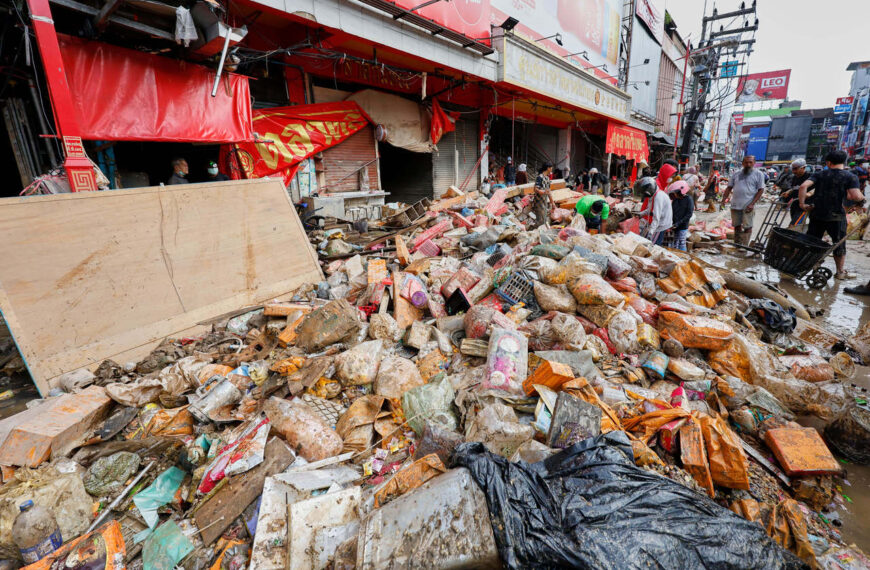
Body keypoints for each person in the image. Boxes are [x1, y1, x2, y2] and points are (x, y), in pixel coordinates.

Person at [797, 150, 863, 280]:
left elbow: (803, 186)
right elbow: (854, 196)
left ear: (828, 162)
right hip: (837, 217)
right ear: (844, 161)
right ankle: (839, 272)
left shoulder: (820, 174)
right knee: (838, 243)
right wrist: (862, 200)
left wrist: (802, 203)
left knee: (813, 241)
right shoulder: (850, 176)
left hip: (817, 215)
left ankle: (811, 267)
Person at [721, 155, 765, 246]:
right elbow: (729, 187)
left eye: (750, 162)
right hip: (735, 204)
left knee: (747, 226)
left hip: (748, 204)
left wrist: (752, 204)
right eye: (746, 162)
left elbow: (761, 189)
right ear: (743, 163)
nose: (748, 164)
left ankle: (744, 246)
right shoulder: (736, 174)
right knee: (736, 225)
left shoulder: (759, 174)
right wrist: (723, 201)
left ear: (754, 163)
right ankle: (737, 244)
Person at [636, 173, 672, 245]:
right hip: (658, 221)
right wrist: (641, 214)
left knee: (653, 245)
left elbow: (656, 217)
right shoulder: (653, 195)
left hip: (661, 224)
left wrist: (651, 232)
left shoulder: (658, 197)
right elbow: (649, 209)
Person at [778, 158, 812, 226]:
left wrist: (809, 194)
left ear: (803, 168)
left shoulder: (810, 177)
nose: (793, 171)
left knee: (793, 225)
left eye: (796, 169)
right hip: (795, 204)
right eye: (793, 169)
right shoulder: (795, 177)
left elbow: (817, 188)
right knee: (798, 225)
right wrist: (788, 192)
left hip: (804, 205)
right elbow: (794, 188)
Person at [669, 180, 694, 251]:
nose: (675, 194)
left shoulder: (689, 199)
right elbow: (672, 211)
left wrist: (679, 223)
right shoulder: (675, 200)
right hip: (675, 225)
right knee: (675, 243)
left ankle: (683, 258)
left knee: (681, 242)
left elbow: (689, 214)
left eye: (676, 192)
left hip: (683, 225)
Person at [531, 163, 555, 229]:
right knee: (540, 220)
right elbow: (535, 188)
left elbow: (548, 192)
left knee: (543, 219)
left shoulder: (547, 178)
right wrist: (540, 191)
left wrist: (552, 203)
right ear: (548, 168)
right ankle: (534, 232)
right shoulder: (540, 177)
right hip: (538, 202)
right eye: (551, 168)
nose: (552, 169)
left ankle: (539, 233)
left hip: (544, 202)